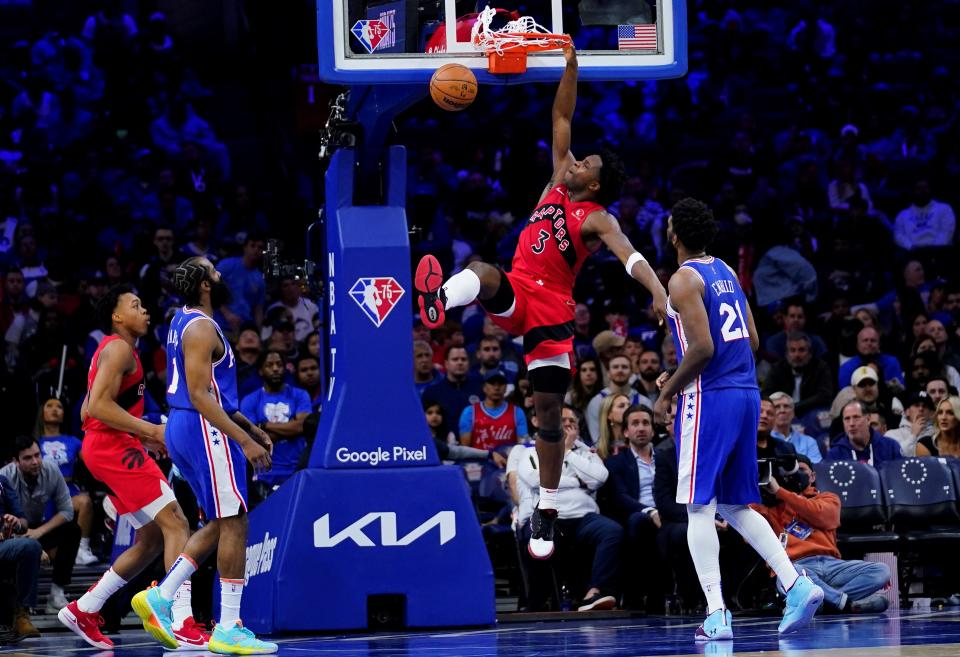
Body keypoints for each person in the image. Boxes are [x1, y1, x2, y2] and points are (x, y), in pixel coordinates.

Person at [415, 45, 667, 561]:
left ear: (592, 183)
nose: (574, 161)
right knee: (484, 272)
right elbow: (561, 114)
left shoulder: (597, 217)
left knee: (548, 417)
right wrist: (571, 66)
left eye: (584, 163)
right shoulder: (557, 181)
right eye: (575, 158)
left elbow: (630, 255)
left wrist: (659, 292)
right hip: (518, 287)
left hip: (552, 308)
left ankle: (547, 510)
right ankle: (440, 299)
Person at [653, 198, 823, 641]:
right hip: (746, 393)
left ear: (674, 235)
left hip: (710, 397)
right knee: (732, 504)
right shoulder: (725, 270)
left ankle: (716, 613)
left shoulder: (682, 279)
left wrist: (669, 389)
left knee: (697, 506)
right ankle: (796, 584)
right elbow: (750, 337)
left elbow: (704, 348)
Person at [132, 257, 277, 654]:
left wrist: (249, 427)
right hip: (202, 426)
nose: (220, 274)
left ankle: (163, 596)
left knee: (222, 519)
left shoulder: (182, 320)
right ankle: (228, 626)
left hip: (187, 425)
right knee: (235, 520)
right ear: (205, 286)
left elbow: (213, 389)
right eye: (213, 270)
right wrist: (241, 441)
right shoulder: (200, 327)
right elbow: (200, 394)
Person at [56, 284, 200, 650]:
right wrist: (150, 429)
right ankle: (181, 618)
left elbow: (91, 408)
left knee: (152, 537)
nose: (145, 310)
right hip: (112, 449)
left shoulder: (115, 350)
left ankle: (84, 608)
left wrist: (140, 435)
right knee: (177, 523)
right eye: (136, 305)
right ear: (117, 316)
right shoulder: (119, 348)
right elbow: (97, 409)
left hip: (108, 447)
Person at [751, 455, 891, 614]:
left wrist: (782, 492)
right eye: (787, 473)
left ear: (812, 476)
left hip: (833, 566)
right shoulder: (771, 509)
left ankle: (819, 602)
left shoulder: (827, 498)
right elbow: (749, 531)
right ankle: (845, 604)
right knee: (790, 572)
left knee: (882, 571)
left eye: (801, 470)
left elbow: (819, 515)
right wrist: (759, 485)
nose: (794, 475)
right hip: (797, 565)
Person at [516, 410, 623, 611]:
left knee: (612, 531)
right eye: (561, 420)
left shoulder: (587, 453)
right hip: (550, 517)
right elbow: (534, 479)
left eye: (571, 421)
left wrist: (568, 452)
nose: (567, 424)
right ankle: (539, 601)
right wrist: (576, 481)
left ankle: (595, 593)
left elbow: (599, 478)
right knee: (536, 535)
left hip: (584, 518)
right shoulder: (531, 452)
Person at [1, 436, 81, 618]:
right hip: (12, 532)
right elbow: (3, 522)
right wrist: (28, 541)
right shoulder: (4, 476)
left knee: (72, 529)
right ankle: (19, 606)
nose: (35, 462)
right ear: (15, 461)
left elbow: (67, 511)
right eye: (28, 458)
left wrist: (38, 533)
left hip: (38, 527)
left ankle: (57, 594)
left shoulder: (51, 470)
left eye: (37, 455)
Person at [603, 405, 666, 610]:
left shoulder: (667, 458)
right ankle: (636, 598)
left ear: (653, 430)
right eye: (635, 424)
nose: (641, 428)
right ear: (626, 432)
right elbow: (620, 497)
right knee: (638, 522)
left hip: (668, 514)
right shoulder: (616, 462)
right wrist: (651, 511)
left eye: (646, 423)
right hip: (638, 515)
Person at [34, 397, 97, 566]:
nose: (55, 409)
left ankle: (82, 549)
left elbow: (93, 463)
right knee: (54, 558)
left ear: (64, 415)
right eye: (49, 406)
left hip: (67, 490)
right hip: (42, 493)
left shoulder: (73, 441)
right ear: (42, 413)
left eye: (59, 407)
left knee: (85, 502)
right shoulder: (35, 443)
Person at [240, 350, 312, 489]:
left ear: (285, 368)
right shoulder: (249, 400)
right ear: (261, 371)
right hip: (264, 472)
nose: (275, 369)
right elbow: (254, 439)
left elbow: (302, 426)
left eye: (279, 364)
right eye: (269, 365)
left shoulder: (300, 395)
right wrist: (292, 429)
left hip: (297, 468)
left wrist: (263, 425)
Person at [0, 472, 43, 640]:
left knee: (31, 546)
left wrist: (16, 522)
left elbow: (24, 522)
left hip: (4, 543)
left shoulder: (2, 481)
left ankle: (22, 615)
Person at [762, 332, 834, 418]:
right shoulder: (777, 369)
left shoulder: (821, 368)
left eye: (801, 350)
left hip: (811, 414)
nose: (797, 355)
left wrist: (795, 407)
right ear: (787, 353)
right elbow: (766, 394)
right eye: (792, 350)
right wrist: (784, 407)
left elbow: (824, 395)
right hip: (782, 413)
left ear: (810, 353)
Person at [459, 370, 528, 450]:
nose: (497, 388)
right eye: (492, 383)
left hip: (508, 461)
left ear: (506, 387)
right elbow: (465, 447)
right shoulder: (469, 412)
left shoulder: (517, 413)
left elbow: (522, 446)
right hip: (479, 461)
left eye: (501, 383)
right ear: (484, 387)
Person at [586, 354, 646, 443]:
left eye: (624, 367)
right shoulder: (596, 402)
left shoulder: (644, 401)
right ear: (608, 373)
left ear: (631, 372)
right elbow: (597, 439)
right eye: (615, 367)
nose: (620, 370)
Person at [828, 400, 903, 466]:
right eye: (847, 419)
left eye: (856, 417)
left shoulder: (890, 447)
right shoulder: (835, 454)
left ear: (868, 419)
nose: (851, 423)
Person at [769, 392, 823, 463]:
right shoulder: (763, 442)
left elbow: (816, 470)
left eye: (786, 406)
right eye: (777, 407)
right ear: (770, 413)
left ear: (793, 413)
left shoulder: (809, 442)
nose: (782, 410)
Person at [885, 391, 936, 457]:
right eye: (916, 405)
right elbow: (895, 457)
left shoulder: (936, 435)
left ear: (931, 413)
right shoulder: (892, 434)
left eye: (925, 406)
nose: (921, 409)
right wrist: (913, 435)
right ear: (907, 412)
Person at [595, 393, 631, 459]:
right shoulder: (598, 451)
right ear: (609, 414)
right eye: (621, 406)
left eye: (629, 405)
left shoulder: (639, 443)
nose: (628, 409)